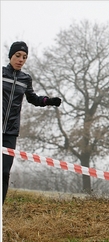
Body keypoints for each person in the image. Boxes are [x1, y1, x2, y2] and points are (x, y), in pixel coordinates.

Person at [2, 41, 62, 205]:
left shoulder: (25, 79)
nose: (21, 59)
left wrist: (49, 101)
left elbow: (33, 99)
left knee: (5, 171)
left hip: (11, 132)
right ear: (11, 56)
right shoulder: (2, 73)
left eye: (24, 57)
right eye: (18, 56)